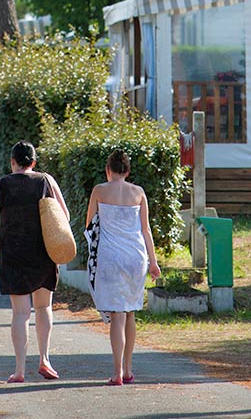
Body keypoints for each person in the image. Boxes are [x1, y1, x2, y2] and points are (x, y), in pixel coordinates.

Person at [0, 140, 70, 383]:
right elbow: (64, 215)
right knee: (44, 307)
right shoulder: (46, 180)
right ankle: (45, 359)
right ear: (33, 162)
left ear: (12, 162)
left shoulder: (1, 185)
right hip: (43, 252)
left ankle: (20, 370)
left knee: (21, 312)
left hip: (13, 254)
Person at [85, 149, 161, 386]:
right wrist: (154, 261)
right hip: (136, 258)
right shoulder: (138, 193)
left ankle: (117, 372)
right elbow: (146, 229)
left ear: (108, 170)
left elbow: (89, 225)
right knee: (130, 313)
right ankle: (128, 369)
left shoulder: (99, 190)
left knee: (117, 315)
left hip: (110, 258)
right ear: (127, 171)